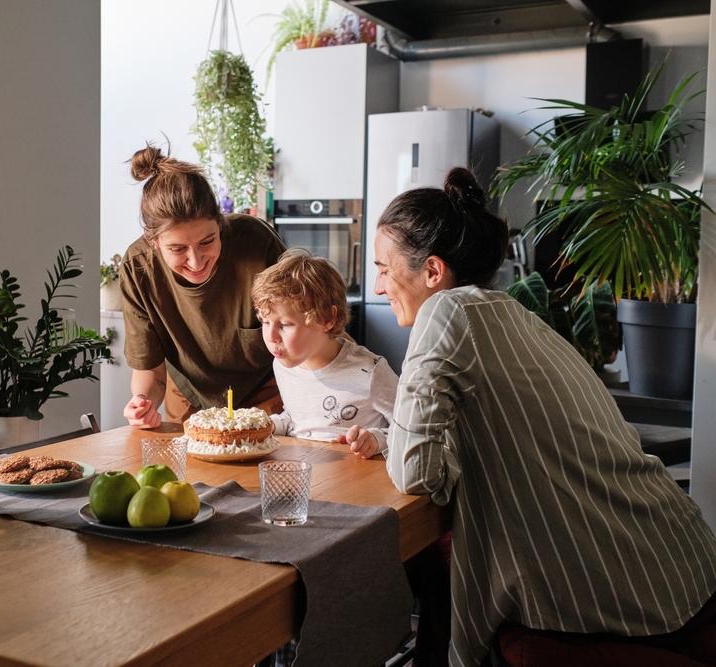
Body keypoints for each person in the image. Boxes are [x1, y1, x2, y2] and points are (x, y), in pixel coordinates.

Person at [375, 167, 716, 667]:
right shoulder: (516, 314)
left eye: (384, 267)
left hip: (625, 599)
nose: (378, 285)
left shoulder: (445, 312)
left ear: (432, 272)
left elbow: (415, 473)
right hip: (680, 561)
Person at [120, 143, 286, 427]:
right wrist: (142, 402)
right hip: (188, 394)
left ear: (220, 224)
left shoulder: (256, 242)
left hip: (266, 387)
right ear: (154, 241)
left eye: (207, 242)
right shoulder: (138, 268)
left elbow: (303, 329)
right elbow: (152, 373)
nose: (196, 262)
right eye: (178, 249)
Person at [250, 249, 398, 458]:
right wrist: (269, 424)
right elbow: (298, 421)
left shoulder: (370, 372)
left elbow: (413, 430)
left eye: (285, 324)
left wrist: (377, 439)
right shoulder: (283, 366)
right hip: (303, 476)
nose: (271, 336)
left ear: (327, 319)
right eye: (265, 322)